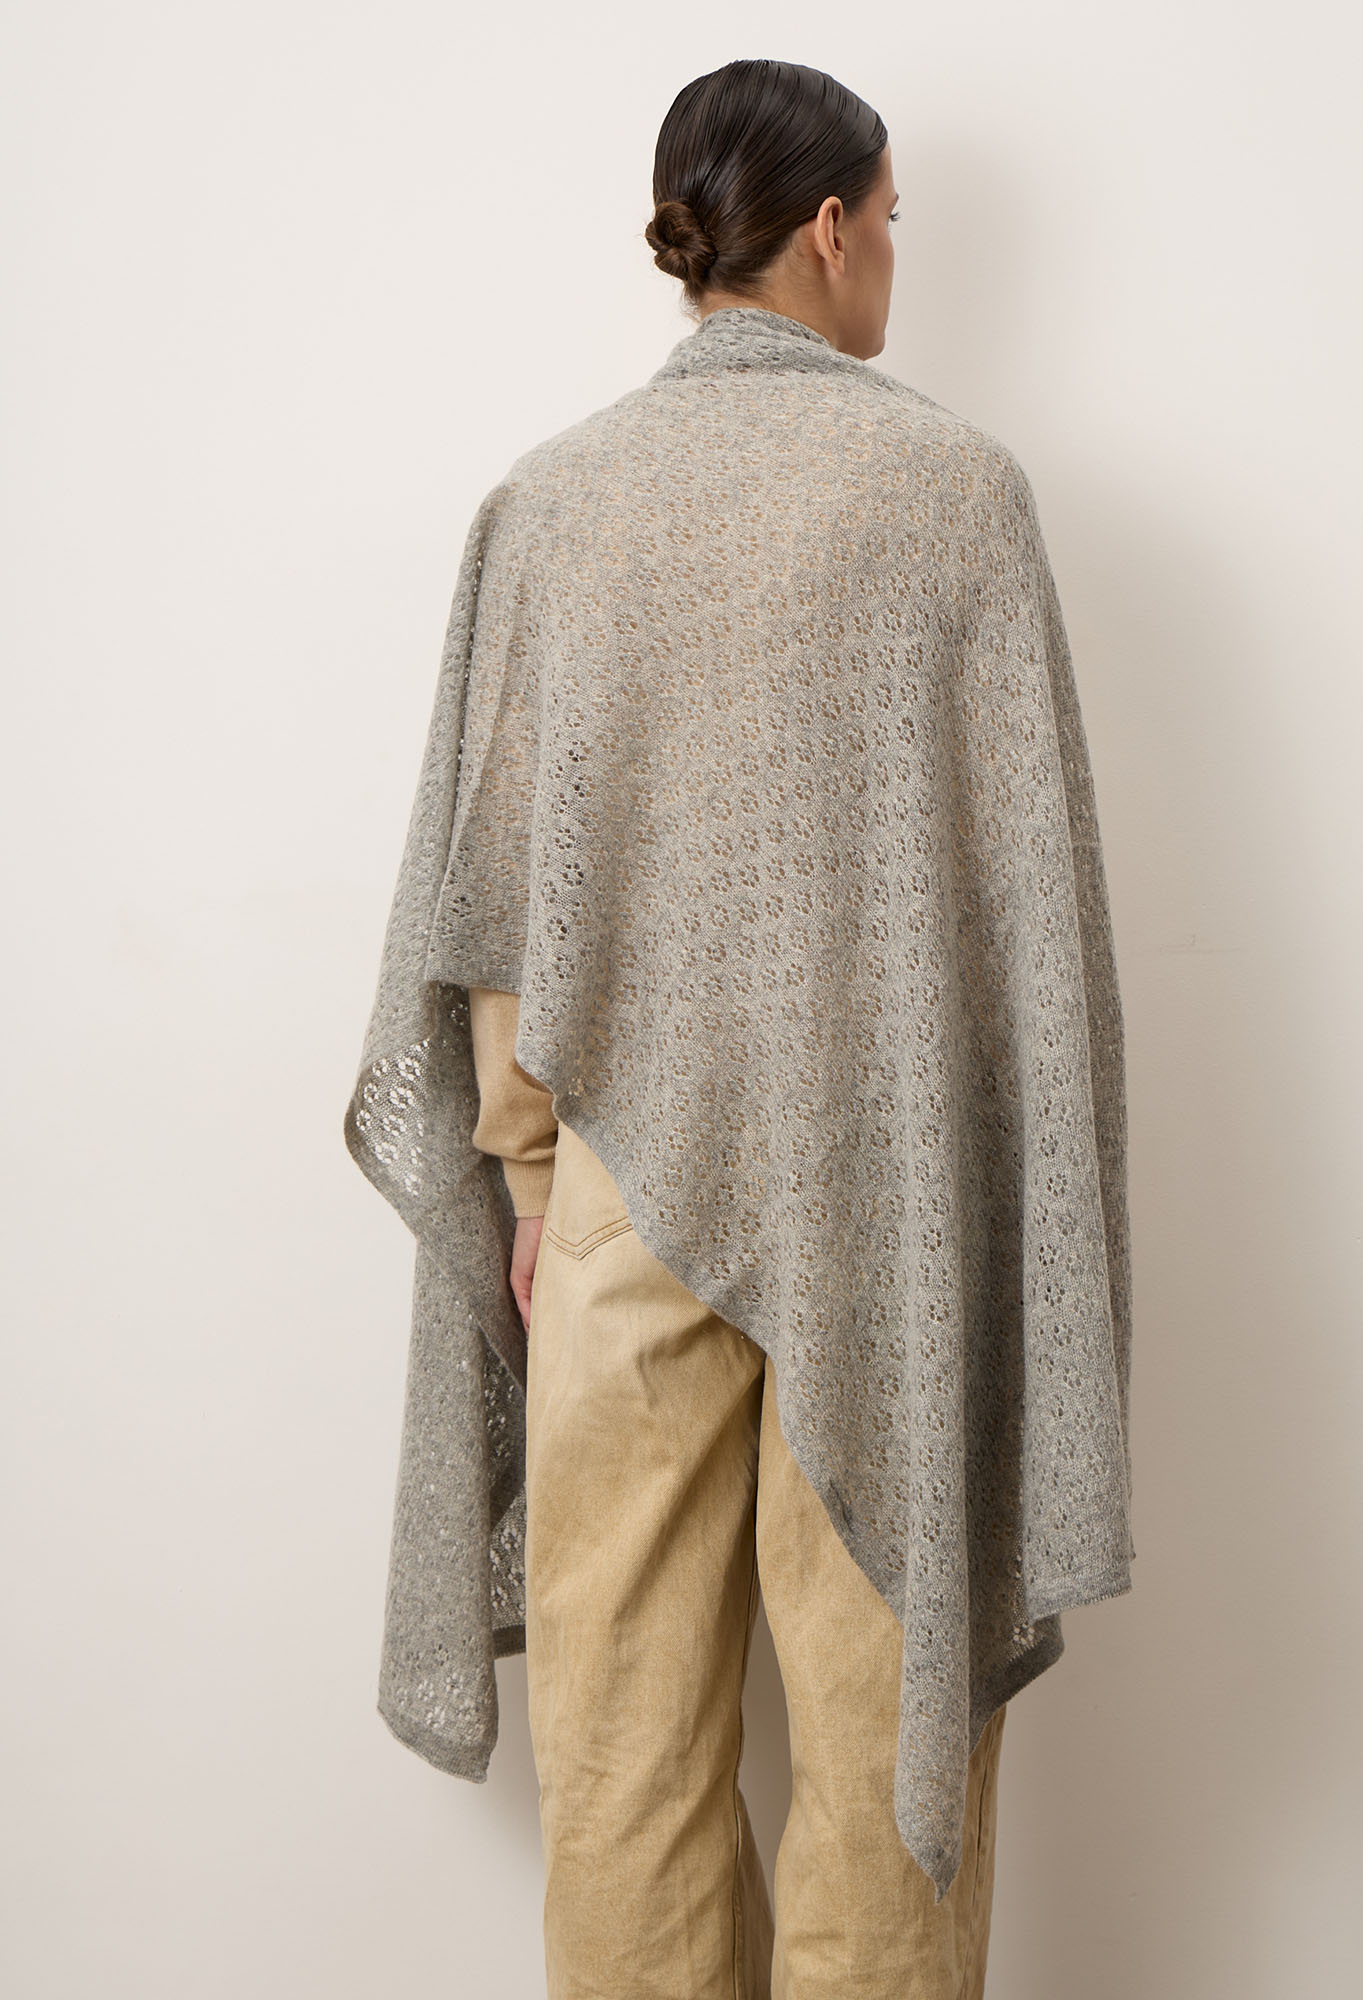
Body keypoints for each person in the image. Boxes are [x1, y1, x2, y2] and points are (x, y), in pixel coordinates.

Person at [345, 55, 1134, 2000]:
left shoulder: (556, 500)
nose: (898, 264)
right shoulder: (958, 493)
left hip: (622, 1200)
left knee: (623, 1742)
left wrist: (533, 1175)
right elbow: (1020, 923)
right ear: (835, 227)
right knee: (885, 1743)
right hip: (894, 1213)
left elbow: (498, 898)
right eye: (898, 226)